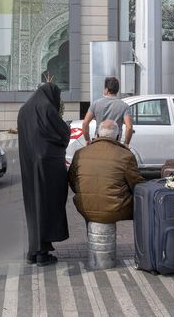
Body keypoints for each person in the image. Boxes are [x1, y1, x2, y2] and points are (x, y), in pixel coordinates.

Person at [17, 83, 70, 266]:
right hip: (48, 167)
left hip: (29, 167)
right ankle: (42, 254)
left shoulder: (24, 110)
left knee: (34, 208)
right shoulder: (47, 108)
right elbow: (63, 133)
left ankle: (34, 250)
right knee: (48, 206)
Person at [68, 120, 145, 223]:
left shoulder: (79, 153)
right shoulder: (126, 155)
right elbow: (137, 185)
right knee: (145, 204)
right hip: (115, 211)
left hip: (84, 208)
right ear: (118, 137)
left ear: (98, 134)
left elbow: (73, 183)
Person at [82, 77, 133, 146]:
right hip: (115, 143)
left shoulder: (96, 104)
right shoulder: (124, 106)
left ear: (106, 90)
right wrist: (126, 143)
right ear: (117, 90)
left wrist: (87, 140)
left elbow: (85, 123)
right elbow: (129, 127)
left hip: (98, 141)